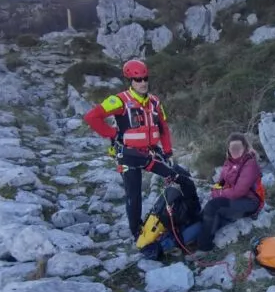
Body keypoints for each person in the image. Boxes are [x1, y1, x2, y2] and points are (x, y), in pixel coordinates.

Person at [83, 59, 200, 242]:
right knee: (134, 194)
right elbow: (91, 117)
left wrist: (167, 151)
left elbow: (163, 128)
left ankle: (192, 214)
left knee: (180, 176)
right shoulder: (119, 101)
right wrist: (113, 134)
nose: (143, 83)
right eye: (138, 80)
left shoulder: (155, 102)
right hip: (128, 155)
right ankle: (137, 232)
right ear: (130, 81)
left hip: (151, 153)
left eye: (145, 78)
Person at [186, 133, 265, 260]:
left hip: (249, 202)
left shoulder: (250, 164)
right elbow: (221, 181)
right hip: (234, 199)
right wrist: (217, 189)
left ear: (245, 148)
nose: (235, 151)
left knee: (213, 207)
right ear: (228, 149)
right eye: (232, 148)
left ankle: (204, 248)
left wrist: (219, 193)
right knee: (207, 212)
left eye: (238, 147)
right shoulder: (228, 162)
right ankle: (192, 239)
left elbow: (239, 191)